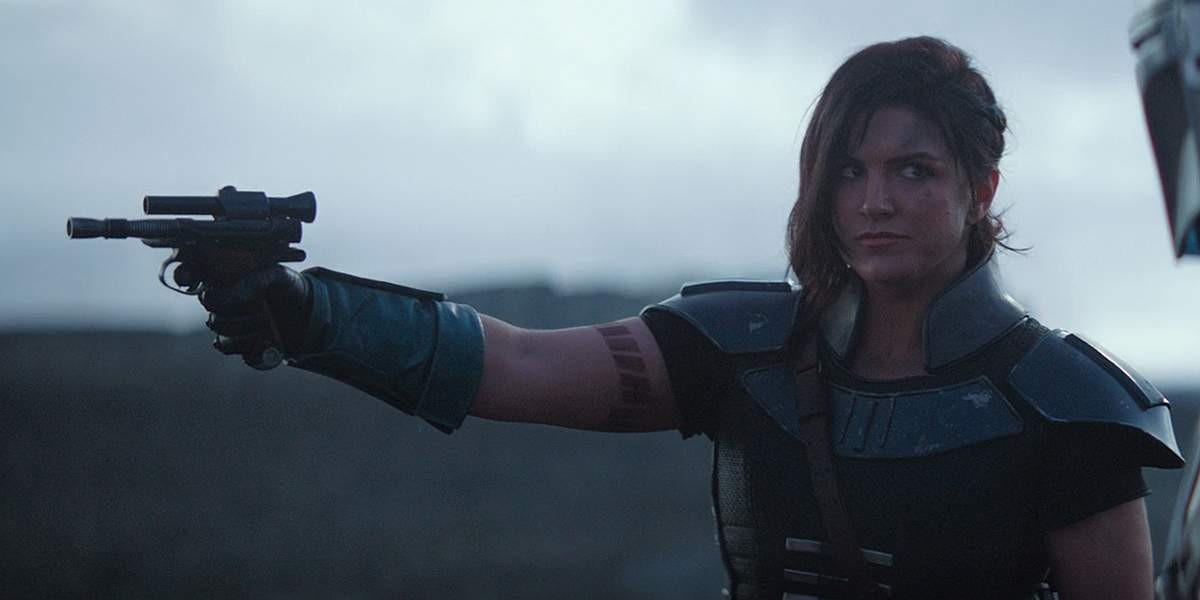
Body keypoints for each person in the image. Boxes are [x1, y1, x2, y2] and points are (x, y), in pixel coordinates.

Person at [198, 37, 1183, 599]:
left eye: (913, 170)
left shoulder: (1066, 405)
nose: (873, 201)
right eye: (848, 170)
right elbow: (518, 365)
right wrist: (307, 310)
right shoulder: (743, 348)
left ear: (982, 187)